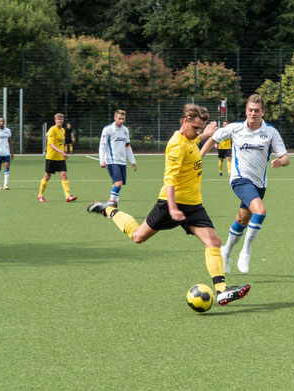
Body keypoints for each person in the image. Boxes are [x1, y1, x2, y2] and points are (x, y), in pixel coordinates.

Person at [87, 104, 250, 306]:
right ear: (184, 122)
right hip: (170, 204)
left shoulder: (189, 138)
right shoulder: (176, 145)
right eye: (196, 128)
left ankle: (222, 290)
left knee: (213, 241)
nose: (197, 132)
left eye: (201, 128)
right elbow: (170, 181)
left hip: (194, 205)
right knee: (138, 236)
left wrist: (205, 135)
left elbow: (191, 143)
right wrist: (172, 208)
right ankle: (108, 209)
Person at [200, 94, 290, 274]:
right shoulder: (235, 128)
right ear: (246, 111)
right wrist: (198, 157)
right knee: (260, 211)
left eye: (257, 110)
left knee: (242, 219)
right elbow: (213, 139)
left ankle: (226, 251)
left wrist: (281, 161)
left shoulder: (270, 132)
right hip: (239, 179)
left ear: (263, 112)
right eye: (250, 110)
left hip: (259, 184)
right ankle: (245, 253)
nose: (253, 113)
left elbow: (285, 157)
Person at [99, 110, 137, 206]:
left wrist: (132, 161)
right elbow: (102, 146)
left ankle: (113, 209)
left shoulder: (125, 130)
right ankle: (110, 206)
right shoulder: (108, 129)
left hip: (122, 161)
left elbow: (127, 146)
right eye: (119, 118)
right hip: (112, 161)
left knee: (116, 185)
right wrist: (102, 160)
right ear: (115, 118)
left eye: (123, 119)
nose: (121, 121)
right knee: (118, 183)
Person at [38, 113, 77, 202]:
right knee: (47, 176)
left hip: (60, 158)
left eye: (61, 119)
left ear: (63, 121)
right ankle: (40, 195)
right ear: (55, 121)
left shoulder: (63, 130)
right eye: (58, 119)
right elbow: (51, 144)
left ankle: (68, 196)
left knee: (64, 175)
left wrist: (61, 153)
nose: (60, 121)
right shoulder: (52, 130)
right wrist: (62, 152)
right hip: (51, 157)